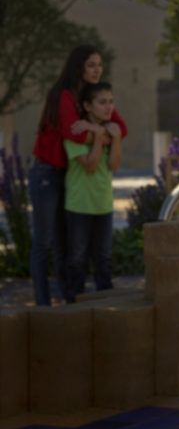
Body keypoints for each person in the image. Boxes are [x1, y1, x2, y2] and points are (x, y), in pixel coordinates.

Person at [29, 45, 128, 306]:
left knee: (65, 245)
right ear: (79, 68)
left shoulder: (93, 96)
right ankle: (42, 304)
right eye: (91, 65)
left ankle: (68, 302)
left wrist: (96, 130)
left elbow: (122, 129)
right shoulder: (64, 95)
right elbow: (75, 135)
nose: (97, 70)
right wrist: (102, 132)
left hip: (68, 175)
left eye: (99, 65)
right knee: (44, 242)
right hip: (47, 173)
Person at [64, 81, 123, 302]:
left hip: (104, 205)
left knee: (104, 260)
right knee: (77, 261)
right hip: (79, 205)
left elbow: (114, 166)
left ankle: (104, 310)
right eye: (102, 102)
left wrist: (115, 139)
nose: (109, 107)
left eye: (111, 102)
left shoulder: (111, 130)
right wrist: (98, 136)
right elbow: (89, 165)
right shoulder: (76, 131)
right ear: (88, 106)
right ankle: (73, 311)